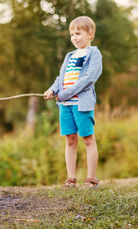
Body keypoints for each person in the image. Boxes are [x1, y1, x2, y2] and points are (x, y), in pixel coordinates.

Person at [43, 16, 104, 189]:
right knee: (70, 139)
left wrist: (64, 94)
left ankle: (91, 179)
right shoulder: (70, 55)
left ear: (90, 34)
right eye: (72, 34)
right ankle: (70, 179)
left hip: (81, 104)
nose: (74, 37)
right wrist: (53, 90)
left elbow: (88, 79)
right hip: (66, 105)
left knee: (88, 139)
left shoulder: (94, 54)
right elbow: (60, 78)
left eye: (78, 33)